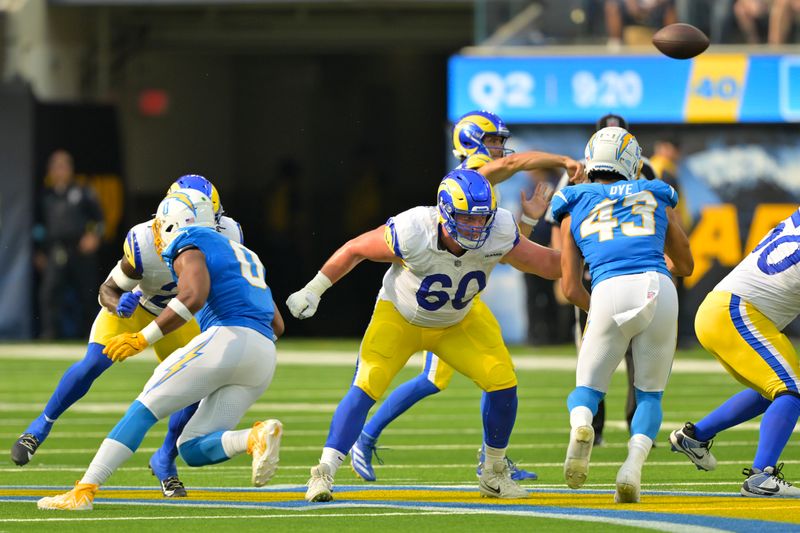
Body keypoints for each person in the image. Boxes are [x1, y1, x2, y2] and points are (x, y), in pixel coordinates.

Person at [287, 168, 562, 502]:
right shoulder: (413, 229)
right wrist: (314, 289)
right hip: (401, 316)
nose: (477, 227)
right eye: (467, 218)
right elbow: (356, 248)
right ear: (445, 213)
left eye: (482, 219)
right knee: (367, 383)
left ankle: (493, 472)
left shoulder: (499, 228)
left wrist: (597, 260)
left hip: (458, 321)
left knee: (502, 381)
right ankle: (324, 472)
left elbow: (546, 264)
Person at [348, 110, 584, 483]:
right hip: (438, 300)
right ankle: (366, 436)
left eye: (498, 141)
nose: (498, 148)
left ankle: (493, 460)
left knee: (488, 378)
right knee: (441, 379)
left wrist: (528, 221)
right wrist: (564, 160)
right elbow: (516, 162)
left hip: (460, 296)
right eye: (491, 140)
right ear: (472, 141)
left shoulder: (479, 185)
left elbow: (507, 253)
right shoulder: (474, 174)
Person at [37, 188, 284, 511]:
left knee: (144, 407)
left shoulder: (191, 239)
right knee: (191, 448)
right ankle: (253, 437)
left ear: (178, 220)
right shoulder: (244, 253)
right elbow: (277, 325)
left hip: (227, 338)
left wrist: (143, 338)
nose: (156, 229)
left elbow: (193, 295)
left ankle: (83, 491)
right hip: (263, 355)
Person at [552, 127, 693, 503]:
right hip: (657, 287)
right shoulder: (655, 194)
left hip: (608, 290)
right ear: (632, 162)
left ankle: (582, 426)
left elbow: (569, 287)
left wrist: (598, 308)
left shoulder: (573, 201)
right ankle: (632, 467)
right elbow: (687, 264)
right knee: (649, 394)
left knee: (586, 390)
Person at [669, 207, 800, 497]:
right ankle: (760, 477)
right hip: (736, 312)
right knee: (791, 389)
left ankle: (695, 437)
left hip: (721, 309)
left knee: (774, 390)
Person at [549, 113, 659, 447]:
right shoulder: (578, 171)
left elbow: (663, 214)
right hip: (596, 267)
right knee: (594, 350)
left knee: (632, 351)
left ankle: (622, 422)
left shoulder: (647, 167)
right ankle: (597, 427)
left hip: (627, 266)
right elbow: (560, 223)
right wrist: (564, 264)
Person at [37, 149, 105, 339]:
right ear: (50, 170)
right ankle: (50, 334)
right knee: (50, 292)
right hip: (56, 250)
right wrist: (39, 251)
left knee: (88, 291)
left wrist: (93, 236)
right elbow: (39, 227)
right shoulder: (46, 196)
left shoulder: (83, 191)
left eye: (63, 166)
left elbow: (99, 220)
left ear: (70, 169)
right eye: (56, 167)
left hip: (80, 249)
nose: (60, 170)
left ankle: (92, 335)